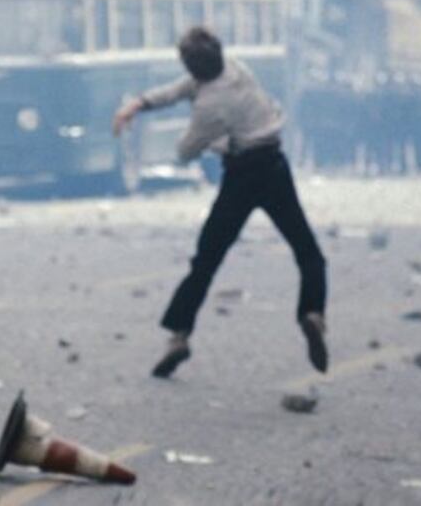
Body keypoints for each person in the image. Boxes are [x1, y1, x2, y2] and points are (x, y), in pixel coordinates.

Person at [112, 27, 329, 378]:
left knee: (206, 260)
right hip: (274, 166)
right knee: (307, 250)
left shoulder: (210, 106)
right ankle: (313, 311)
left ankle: (179, 336)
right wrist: (141, 103)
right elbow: (183, 88)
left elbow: (185, 151)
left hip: (241, 174)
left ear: (191, 66)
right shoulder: (236, 68)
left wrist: (200, 129)